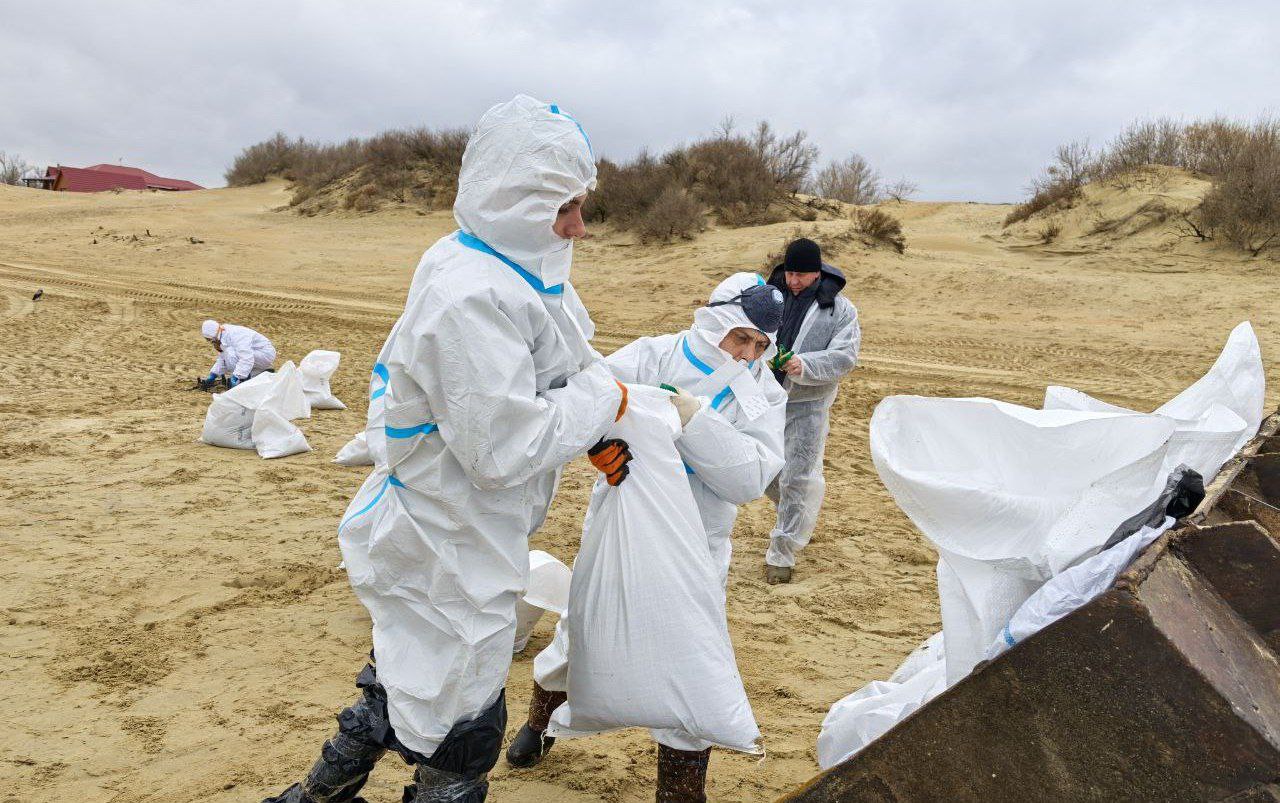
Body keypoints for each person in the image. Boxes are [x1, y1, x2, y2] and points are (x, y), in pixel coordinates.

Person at [264, 95, 631, 803]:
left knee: (405, 670)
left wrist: (597, 426)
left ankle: (315, 796)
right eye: (565, 208)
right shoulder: (471, 294)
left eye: (580, 205)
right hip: (451, 534)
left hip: (455, 523)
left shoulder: (510, 261)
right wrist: (600, 403)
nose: (579, 227)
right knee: (464, 719)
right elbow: (502, 447)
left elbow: (562, 364)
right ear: (514, 200)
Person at [506, 272, 787, 802]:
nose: (748, 355)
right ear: (715, 322)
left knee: (691, 655)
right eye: (740, 338)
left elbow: (749, 478)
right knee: (582, 626)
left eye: (759, 345)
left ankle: (680, 790)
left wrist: (694, 420)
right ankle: (540, 723)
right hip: (622, 527)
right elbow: (584, 402)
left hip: (699, 542)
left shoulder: (763, 395)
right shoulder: (652, 356)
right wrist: (596, 444)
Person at [762, 238, 860, 584]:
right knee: (764, 470)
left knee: (797, 476)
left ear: (817, 273)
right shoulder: (770, 296)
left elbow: (845, 356)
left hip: (808, 404)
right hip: (764, 398)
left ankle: (782, 554)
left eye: (801, 275)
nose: (794, 281)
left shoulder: (839, 309)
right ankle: (797, 515)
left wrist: (803, 364)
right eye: (790, 273)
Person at [199, 319, 276, 387]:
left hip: (265, 354)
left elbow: (246, 358)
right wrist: (213, 375)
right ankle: (260, 374)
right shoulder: (222, 335)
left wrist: (236, 377)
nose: (211, 342)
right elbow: (223, 358)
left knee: (232, 355)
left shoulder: (236, 335)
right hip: (256, 353)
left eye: (209, 340)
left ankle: (242, 380)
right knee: (231, 356)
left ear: (213, 336)